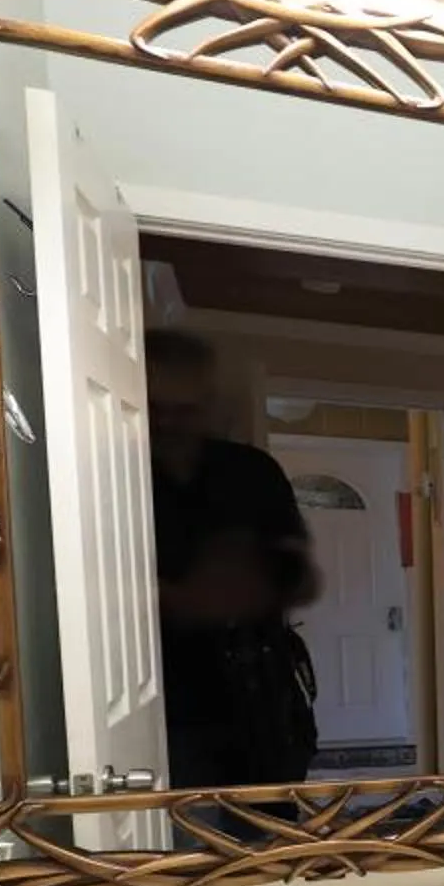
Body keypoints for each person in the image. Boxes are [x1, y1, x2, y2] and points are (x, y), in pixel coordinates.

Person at [144, 328, 320, 790]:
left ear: (206, 404)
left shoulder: (251, 472)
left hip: (260, 701)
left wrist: (252, 581)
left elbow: (305, 580)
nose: (167, 423)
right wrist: (177, 598)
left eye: (183, 410)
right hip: (160, 707)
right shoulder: (113, 472)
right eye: (155, 408)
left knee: (272, 826)